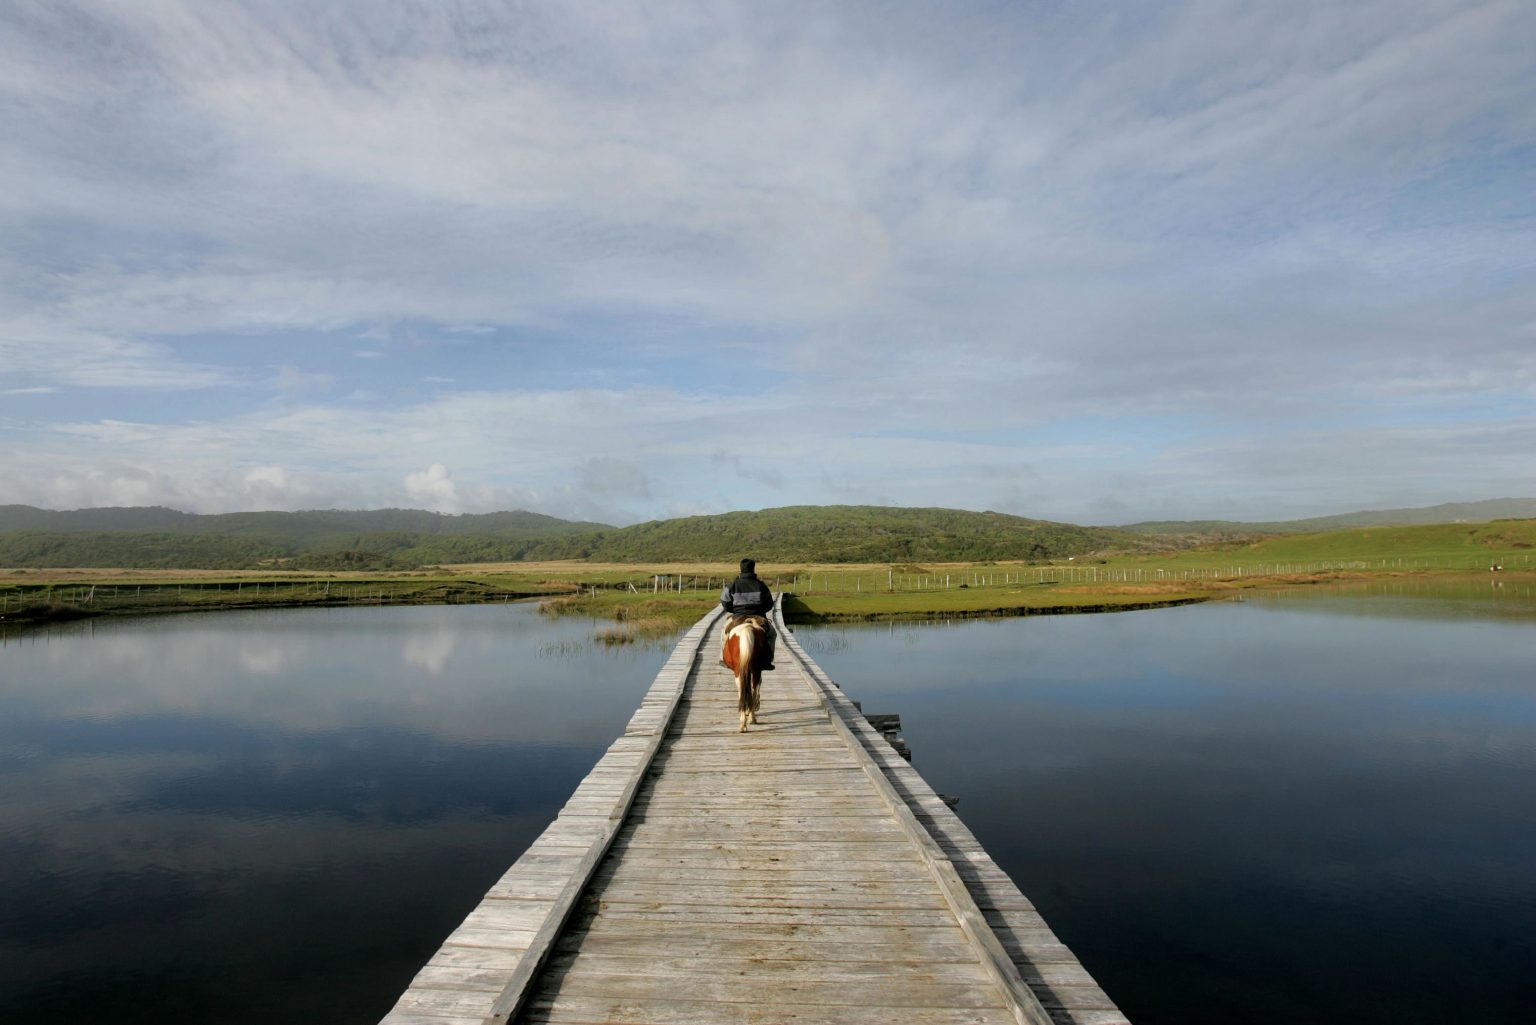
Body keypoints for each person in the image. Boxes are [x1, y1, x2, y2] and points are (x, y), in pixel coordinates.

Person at [720, 557, 775, 669]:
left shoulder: (732, 585)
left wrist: (734, 610)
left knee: (724, 632)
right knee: (772, 634)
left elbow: (725, 602)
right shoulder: (761, 585)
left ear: (741, 569)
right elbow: (769, 603)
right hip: (758, 616)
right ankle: (768, 660)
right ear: (753, 569)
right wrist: (761, 611)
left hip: (737, 616)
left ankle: (723, 658)